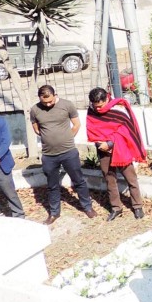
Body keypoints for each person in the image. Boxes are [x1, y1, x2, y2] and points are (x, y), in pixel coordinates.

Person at [30, 84, 96, 224]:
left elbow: (76, 124)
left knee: (78, 180)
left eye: (50, 101)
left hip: (68, 152)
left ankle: (87, 207)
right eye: (44, 102)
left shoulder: (67, 105)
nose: (48, 104)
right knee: (52, 184)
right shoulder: (35, 109)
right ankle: (54, 213)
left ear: (55, 95)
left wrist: (67, 137)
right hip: (49, 155)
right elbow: (36, 128)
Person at [86, 87, 147, 221]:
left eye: (100, 106)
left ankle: (137, 206)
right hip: (102, 150)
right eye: (95, 107)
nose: (98, 109)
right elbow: (92, 130)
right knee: (109, 180)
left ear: (107, 98)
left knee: (131, 178)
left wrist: (110, 143)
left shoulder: (118, 108)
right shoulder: (91, 110)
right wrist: (99, 144)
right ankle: (116, 208)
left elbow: (125, 131)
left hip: (121, 149)